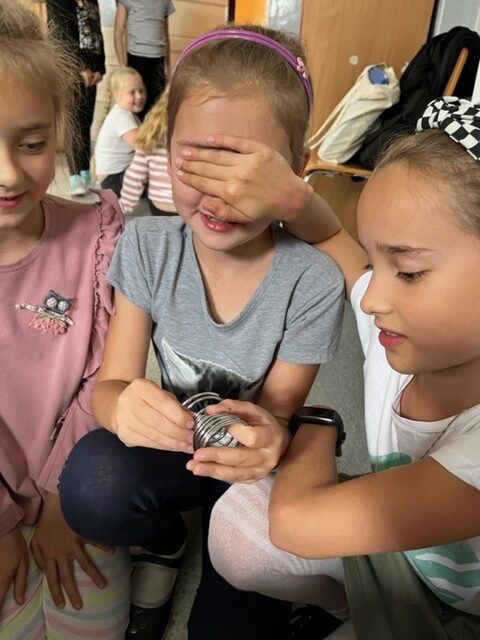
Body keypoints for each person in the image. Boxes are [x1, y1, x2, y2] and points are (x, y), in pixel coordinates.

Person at [58, 24, 345, 640]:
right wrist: (122, 409)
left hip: (252, 466)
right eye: (196, 163)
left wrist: (270, 440)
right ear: (166, 151)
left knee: (228, 627)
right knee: (92, 487)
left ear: (293, 174)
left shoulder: (312, 280)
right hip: (174, 446)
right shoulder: (148, 245)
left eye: (243, 172)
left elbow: (277, 418)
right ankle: (166, 540)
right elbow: (110, 387)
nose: (217, 197)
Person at [172, 97, 480, 640]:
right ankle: (347, 608)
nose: (370, 298)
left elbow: (297, 524)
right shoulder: (402, 342)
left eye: (408, 272)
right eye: (376, 263)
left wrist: (317, 422)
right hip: (407, 559)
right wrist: (290, 192)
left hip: (463, 607)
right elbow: (332, 237)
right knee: (240, 527)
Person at [0, 1, 131, 638]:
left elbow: (106, 370)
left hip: (74, 479)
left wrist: (60, 497)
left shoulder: (97, 233)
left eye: (31, 145)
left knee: (91, 620)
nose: (8, 174)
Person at [46, 0, 105, 197]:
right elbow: (61, 34)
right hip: (72, 70)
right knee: (75, 122)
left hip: (92, 69)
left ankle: (85, 172)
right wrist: (80, 68)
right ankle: (74, 176)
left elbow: (96, 33)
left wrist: (99, 68)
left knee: (86, 121)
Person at [119, 86, 176, 216]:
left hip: (160, 207)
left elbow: (134, 177)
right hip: (190, 209)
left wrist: (124, 204)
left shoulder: (151, 142)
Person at [114, 0, 175, 119]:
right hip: (137, 59)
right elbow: (118, 32)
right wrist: (122, 67)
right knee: (134, 106)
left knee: (156, 109)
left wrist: (168, 66)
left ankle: (150, 132)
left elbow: (166, 35)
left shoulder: (165, 1)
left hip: (158, 61)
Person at [95, 66, 146, 197]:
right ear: (116, 95)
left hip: (115, 177)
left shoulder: (127, 114)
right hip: (114, 181)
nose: (139, 96)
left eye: (141, 90)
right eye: (132, 92)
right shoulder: (121, 116)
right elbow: (144, 146)